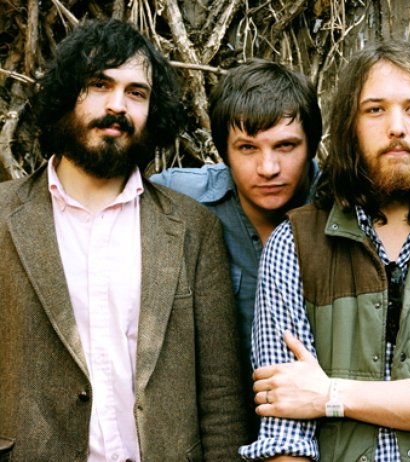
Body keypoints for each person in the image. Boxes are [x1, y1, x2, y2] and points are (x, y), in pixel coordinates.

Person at [238, 40, 410, 461]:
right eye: (375, 110)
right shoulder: (293, 244)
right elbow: (285, 427)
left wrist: (330, 395)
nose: (397, 127)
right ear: (349, 126)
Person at [0, 19, 248, 460]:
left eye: (136, 92)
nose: (117, 105)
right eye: (99, 84)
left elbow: (221, 394)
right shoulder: (3, 217)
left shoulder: (193, 228)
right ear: (65, 94)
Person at [151, 59, 322, 435]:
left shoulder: (344, 210)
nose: (268, 167)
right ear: (224, 152)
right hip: (217, 432)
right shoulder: (179, 199)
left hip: (322, 430)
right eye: (247, 148)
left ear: (311, 145)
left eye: (285, 146)